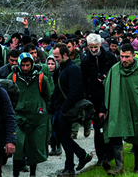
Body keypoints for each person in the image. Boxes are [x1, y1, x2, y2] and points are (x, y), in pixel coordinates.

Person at [100, 43, 138, 175]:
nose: (124, 60)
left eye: (127, 57)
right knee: (115, 133)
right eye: (122, 56)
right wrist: (102, 109)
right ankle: (119, 167)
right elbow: (107, 91)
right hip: (119, 107)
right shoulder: (114, 70)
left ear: (133, 55)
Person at [48, 43, 92, 176]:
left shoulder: (72, 69)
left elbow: (75, 92)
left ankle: (70, 167)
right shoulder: (62, 68)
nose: (55, 59)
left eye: (57, 56)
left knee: (65, 139)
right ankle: (81, 156)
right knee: (63, 138)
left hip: (66, 109)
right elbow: (58, 89)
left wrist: (64, 109)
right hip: (60, 108)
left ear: (65, 54)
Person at [8, 53, 52, 177]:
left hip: (35, 117)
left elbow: (47, 96)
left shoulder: (41, 78)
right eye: (23, 65)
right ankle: (15, 174)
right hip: (18, 116)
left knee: (34, 146)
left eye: (28, 65)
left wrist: (44, 112)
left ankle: (33, 174)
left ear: (32, 64)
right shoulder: (12, 77)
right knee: (18, 146)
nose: (25, 68)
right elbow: (6, 97)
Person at [80, 34, 117, 169]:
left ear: (100, 45)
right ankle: (101, 156)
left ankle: (110, 153)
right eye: (91, 47)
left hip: (109, 95)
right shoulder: (86, 60)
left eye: (95, 47)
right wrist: (88, 102)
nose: (93, 50)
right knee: (98, 129)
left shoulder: (109, 57)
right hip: (94, 97)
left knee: (110, 127)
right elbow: (83, 82)